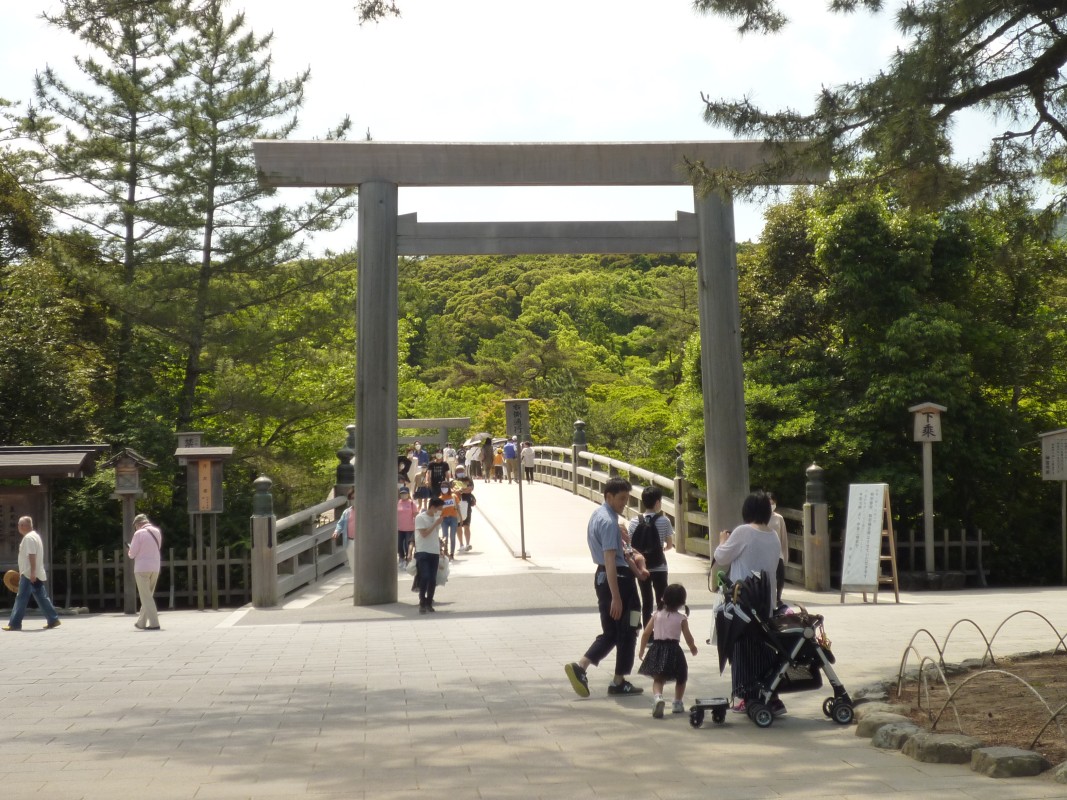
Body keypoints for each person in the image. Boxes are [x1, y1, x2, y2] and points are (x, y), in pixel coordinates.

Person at [564, 477, 645, 697]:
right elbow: (610, 559)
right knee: (630, 628)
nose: (624, 503)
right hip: (619, 581)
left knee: (611, 632)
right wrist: (617, 597)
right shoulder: (610, 522)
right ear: (608, 496)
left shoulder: (597, 515)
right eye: (621, 499)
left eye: (626, 499)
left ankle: (581, 667)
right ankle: (619, 681)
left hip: (602, 578)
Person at [713, 491, 785, 716]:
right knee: (763, 648)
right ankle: (770, 695)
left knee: (740, 649)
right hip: (766, 601)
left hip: (743, 601)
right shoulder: (773, 535)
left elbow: (721, 557)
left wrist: (723, 540)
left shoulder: (743, 532)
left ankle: (747, 695)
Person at [638, 583, 698, 717]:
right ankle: (677, 703)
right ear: (682, 602)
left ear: (663, 598)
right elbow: (688, 637)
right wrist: (692, 647)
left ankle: (658, 697)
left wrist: (642, 650)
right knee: (681, 676)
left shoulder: (656, 615)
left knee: (658, 678)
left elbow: (646, 634)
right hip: (674, 651)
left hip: (657, 649)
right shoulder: (682, 618)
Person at [628, 485, 675, 627]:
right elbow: (670, 545)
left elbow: (630, 546)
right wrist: (660, 550)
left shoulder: (634, 521)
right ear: (657, 503)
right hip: (660, 567)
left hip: (642, 568)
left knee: (646, 601)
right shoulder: (664, 521)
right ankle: (662, 631)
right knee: (662, 600)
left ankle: (648, 635)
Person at [4, 516, 62, 631]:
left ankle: (14, 623)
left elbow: (31, 555)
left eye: (19, 525)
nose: (18, 527)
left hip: (29, 574)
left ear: (23, 526)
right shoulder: (35, 536)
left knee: (21, 598)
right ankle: (53, 619)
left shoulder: (29, 538)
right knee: (41, 597)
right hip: (34, 572)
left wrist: (32, 573)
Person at [128, 513, 163, 630]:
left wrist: (129, 548)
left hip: (142, 568)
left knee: (146, 597)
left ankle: (154, 623)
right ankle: (141, 622)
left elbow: (132, 554)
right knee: (148, 596)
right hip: (155, 567)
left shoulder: (138, 533)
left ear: (138, 524)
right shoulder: (157, 532)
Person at [413, 497, 445, 613]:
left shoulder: (437, 518)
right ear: (432, 507)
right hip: (423, 551)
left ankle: (429, 602)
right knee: (425, 576)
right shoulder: (420, 517)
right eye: (439, 509)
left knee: (432, 578)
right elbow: (424, 534)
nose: (440, 511)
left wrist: (441, 551)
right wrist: (435, 523)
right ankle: (422, 601)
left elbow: (436, 535)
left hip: (434, 551)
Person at [767, 492, 787, 608]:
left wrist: (784, 553)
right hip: (766, 551)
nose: (771, 505)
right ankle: (769, 596)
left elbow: (783, 536)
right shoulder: (761, 517)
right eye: (769, 503)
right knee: (768, 576)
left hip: (777, 551)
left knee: (780, 575)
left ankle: (778, 597)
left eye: (773, 503)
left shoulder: (779, 518)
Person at [453, 465, 476, 552]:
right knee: (458, 525)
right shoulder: (453, 481)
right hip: (456, 505)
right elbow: (453, 490)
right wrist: (462, 490)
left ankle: (467, 543)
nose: (460, 472)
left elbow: (470, 489)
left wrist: (461, 490)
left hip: (467, 504)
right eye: (458, 471)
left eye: (461, 470)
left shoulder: (469, 480)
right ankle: (461, 544)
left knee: (466, 525)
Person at [333, 489, 356, 569]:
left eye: (356, 498)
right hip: (349, 541)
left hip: (362, 541)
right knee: (352, 562)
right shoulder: (347, 512)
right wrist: (336, 531)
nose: (354, 500)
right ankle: (356, 579)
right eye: (352, 498)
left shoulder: (364, 511)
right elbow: (340, 523)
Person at [438, 480, 461, 559]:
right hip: (444, 519)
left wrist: (460, 518)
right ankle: (445, 552)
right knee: (445, 537)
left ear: (449, 488)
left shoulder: (454, 496)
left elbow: (458, 507)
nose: (444, 489)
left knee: (452, 536)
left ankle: (452, 553)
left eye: (445, 487)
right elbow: (438, 511)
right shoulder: (440, 498)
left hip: (453, 518)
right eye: (442, 487)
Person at [397, 487, 418, 568]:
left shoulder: (412, 503)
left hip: (409, 528)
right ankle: (401, 558)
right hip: (399, 528)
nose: (403, 495)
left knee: (407, 545)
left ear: (408, 494)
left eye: (405, 493)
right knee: (399, 545)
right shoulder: (398, 503)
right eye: (402, 493)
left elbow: (416, 515)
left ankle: (407, 559)